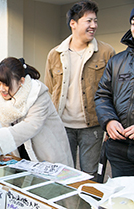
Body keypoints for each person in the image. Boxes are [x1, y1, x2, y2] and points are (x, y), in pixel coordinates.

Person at [44, 0, 115, 179]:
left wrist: (109, 124)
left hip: (93, 127)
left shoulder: (107, 52)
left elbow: (113, 92)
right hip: (62, 125)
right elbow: (49, 90)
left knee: (90, 175)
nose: (94, 26)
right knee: (61, 174)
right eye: (89, 21)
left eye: (95, 21)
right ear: (73, 24)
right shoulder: (55, 54)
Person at [0, 57, 73, 167]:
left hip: (48, 156)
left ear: (21, 81)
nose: (2, 89)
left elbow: (31, 125)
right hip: (22, 157)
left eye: (6, 84)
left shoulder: (38, 95)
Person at [94, 8, 134, 178]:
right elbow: (103, 95)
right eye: (133, 23)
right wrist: (109, 121)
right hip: (120, 149)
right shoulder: (117, 61)